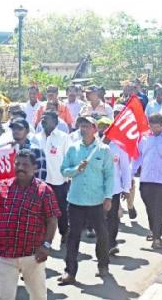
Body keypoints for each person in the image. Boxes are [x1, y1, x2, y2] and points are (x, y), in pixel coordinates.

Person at [0, 149, 60, 300]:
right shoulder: (3, 186)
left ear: (35, 167)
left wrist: (47, 245)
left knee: (39, 296)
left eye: (25, 164)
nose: (20, 167)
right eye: (17, 164)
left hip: (33, 255)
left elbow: (52, 220)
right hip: (5, 256)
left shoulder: (44, 190)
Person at [58, 116, 114, 285]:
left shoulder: (103, 150)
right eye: (81, 126)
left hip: (96, 201)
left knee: (102, 235)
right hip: (76, 201)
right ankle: (70, 271)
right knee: (73, 236)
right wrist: (76, 169)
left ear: (94, 129)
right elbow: (64, 171)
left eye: (86, 126)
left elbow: (109, 175)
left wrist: (108, 196)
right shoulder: (73, 149)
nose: (83, 129)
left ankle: (103, 265)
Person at [133, 113, 162, 249]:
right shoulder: (144, 137)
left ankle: (157, 234)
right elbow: (138, 157)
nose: (154, 130)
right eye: (151, 127)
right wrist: (130, 174)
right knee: (150, 208)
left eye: (156, 127)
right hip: (147, 179)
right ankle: (156, 234)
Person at [31, 111, 70, 244]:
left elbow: (68, 158)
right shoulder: (35, 137)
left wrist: (67, 177)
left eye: (46, 119)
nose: (43, 121)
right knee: (41, 210)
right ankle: (44, 238)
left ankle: (64, 232)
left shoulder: (64, 137)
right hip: (40, 180)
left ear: (55, 122)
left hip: (58, 180)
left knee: (60, 209)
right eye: (42, 119)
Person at [96, 117, 132, 255]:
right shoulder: (94, 146)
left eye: (107, 127)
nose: (104, 129)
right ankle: (103, 242)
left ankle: (111, 243)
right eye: (101, 126)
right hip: (97, 189)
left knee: (113, 217)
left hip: (114, 189)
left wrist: (126, 187)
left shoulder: (119, 147)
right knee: (100, 218)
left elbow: (125, 168)